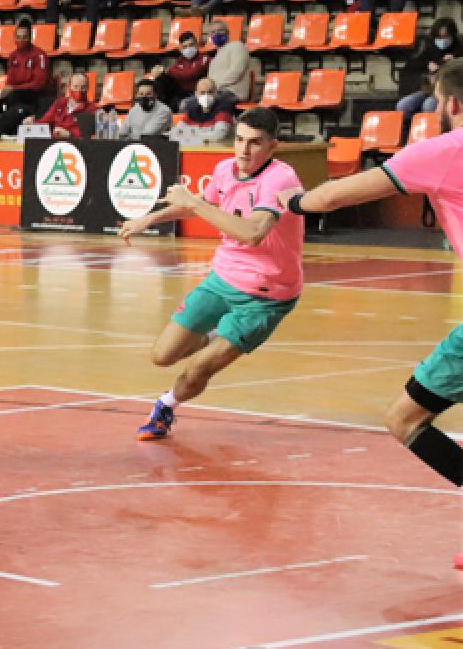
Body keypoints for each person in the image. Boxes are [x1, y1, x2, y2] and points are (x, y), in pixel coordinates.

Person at [277, 60, 463, 533]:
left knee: (406, 419)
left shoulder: (444, 151)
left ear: (451, 104)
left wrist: (291, 201)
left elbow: (334, 197)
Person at [117, 107, 303, 441]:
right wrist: (149, 218)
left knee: (198, 368)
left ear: (273, 146)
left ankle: (165, 407)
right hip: (223, 278)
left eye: (255, 143)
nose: (244, 150)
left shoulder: (280, 179)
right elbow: (201, 203)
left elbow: (252, 233)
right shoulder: (224, 170)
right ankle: (216, 337)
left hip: (266, 295)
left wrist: (195, 203)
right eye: (239, 140)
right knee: (163, 355)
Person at [0, 21, 52, 140]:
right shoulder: (13, 55)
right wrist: (5, 91)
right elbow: (10, 80)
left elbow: (39, 84)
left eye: (24, 37)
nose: (21, 40)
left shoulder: (39, 55)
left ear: (30, 38)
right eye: (18, 37)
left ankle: (1, 131)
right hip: (15, 92)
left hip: (32, 95)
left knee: (15, 96)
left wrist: (13, 88)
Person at [396, 18, 460, 124]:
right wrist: (427, 66)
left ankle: (433, 130)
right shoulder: (426, 48)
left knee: (429, 105)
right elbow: (411, 70)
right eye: (439, 37)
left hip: (448, 90)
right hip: (428, 88)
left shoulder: (459, 49)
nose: (442, 40)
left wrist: (455, 62)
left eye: (445, 37)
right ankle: (411, 131)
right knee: (403, 105)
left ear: (453, 35)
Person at [23, 71, 97, 140]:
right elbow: (45, 122)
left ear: (87, 88)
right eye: (75, 87)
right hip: (55, 143)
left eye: (83, 87)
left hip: (76, 146)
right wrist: (33, 123)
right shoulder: (60, 103)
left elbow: (89, 136)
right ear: (69, 87)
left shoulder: (92, 109)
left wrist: (70, 134)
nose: (79, 90)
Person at [151, 31, 211, 112]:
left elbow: (191, 74)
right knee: (160, 78)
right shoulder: (181, 60)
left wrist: (166, 70)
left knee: (165, 75)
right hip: (180, 91)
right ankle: (158, 108)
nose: (188, 48)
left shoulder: (204, 58)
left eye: (191, 45)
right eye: (185, 46)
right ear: (180, 48)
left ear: (196, 44)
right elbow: (173, 71)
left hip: (195, 92)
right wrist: (159, 71)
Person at [169, 77, 237, 145]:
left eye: (210, 92)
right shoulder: (192, 109)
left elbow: (218, 135)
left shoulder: (224, 108)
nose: (206, 96)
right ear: (196, 94)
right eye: (202, 92)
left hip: (217, 149)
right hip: (195, 147)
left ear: (216, 93)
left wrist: (191, 135)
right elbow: (174, 133)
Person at [206, 20, 251, 103]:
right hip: (217, 92)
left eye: (220, 30)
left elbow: (237, 71)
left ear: (227, 32)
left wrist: (215, 86)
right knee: (188, 103)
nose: (217, 34)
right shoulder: (215, 58)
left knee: (208, 102)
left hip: (233, 92)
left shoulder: (237, 46)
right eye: (213, 32)